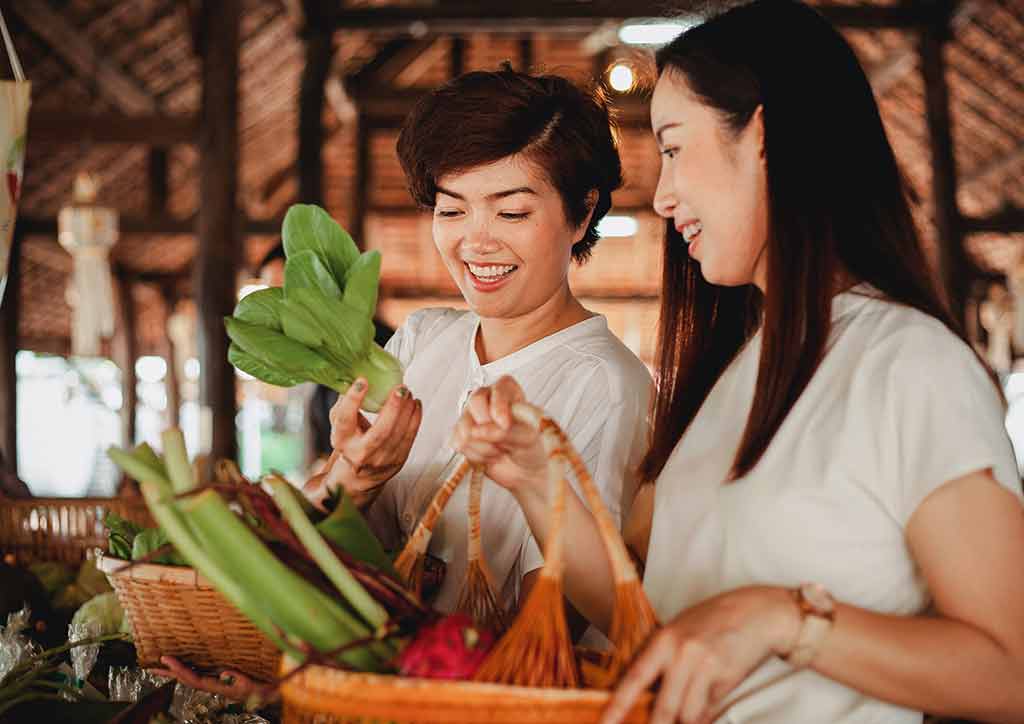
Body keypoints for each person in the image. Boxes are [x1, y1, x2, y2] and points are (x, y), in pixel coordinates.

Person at [450, 2, 1024, 723]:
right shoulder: (731, 373)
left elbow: (1011, 673)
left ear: (763, 136)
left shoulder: (908, 362)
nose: (663, 198)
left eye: (673, 148)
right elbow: (645, 617)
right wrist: (537, 482)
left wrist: (785, 620)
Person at [306, 64, 653, 625]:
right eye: (451, 210)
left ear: (582, 212)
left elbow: (549, 629)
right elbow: (304, 539)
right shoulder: (421, 339)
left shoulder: (607, 386)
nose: (476, 240)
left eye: (512, 212)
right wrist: (355, 477)